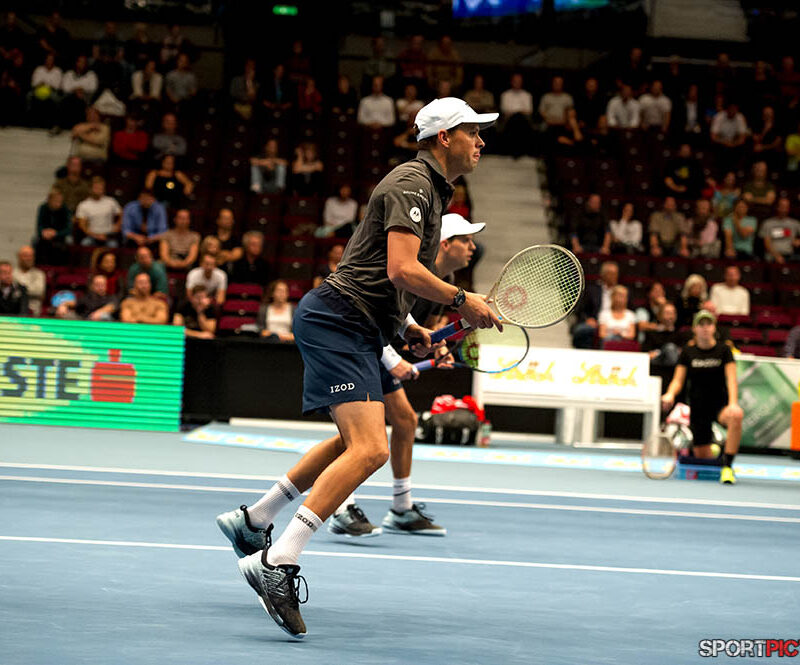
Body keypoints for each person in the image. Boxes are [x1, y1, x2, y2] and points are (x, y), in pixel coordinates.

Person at [215, 97, 499, 638]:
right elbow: (401, 268)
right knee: (370, 448)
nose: (480, 141)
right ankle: (276, 560)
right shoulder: (413, 183)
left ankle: (254, 521)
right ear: (444, 137)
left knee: (355, 442)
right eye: (472, 132)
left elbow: (381, 274)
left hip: (358, 324)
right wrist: (463, 300)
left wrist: (406, 326)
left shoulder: (432, 189)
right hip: (337, 320)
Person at [328, 212, 485, 538]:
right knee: (360, 435)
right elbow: (375, 315)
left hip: (374, 347)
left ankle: (401, 508)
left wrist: (437, 345)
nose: (473, 247)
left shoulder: (444, 281)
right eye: (466, 240)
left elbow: (419, 329)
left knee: (405, 420)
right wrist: (392, 360)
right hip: (350, 340)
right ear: (445, 244)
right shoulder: (414, 272)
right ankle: (341, 507)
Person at [661, 310, 742, 484]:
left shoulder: (724, 350)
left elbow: (731, 380)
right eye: (701, 324)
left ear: (714, 328)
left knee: (736, 415)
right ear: (694, 328)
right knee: (703, 460)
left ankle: (728, 467)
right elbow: (678, 380)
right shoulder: (688, 352)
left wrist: (733, 403)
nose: (705, 328)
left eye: (709, 324)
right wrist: (670, 394)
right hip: (698, 410)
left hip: (720, 407)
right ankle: (714, 449)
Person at [571, 260, 618, 348]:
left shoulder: (621, 291)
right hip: (596, 322)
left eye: (615, 273)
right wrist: (588, 319)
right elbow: (581, 309)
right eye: (610, 273)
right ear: (603, 274)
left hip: (615, 323)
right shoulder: (592, 290)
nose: (613, 276)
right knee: (582, 330)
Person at [75, 176, 121, 247]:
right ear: (90, 189)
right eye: (96, 188)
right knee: (85, 243)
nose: (99, 190)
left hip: (108, 235)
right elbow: (82, 225)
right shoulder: (84, 205)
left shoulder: (111, 201)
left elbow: (122, 214)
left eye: (101, 188)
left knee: (113, 245)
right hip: (92, 236)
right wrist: (96, 236)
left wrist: (118, 225)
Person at [60, 54, 98, 130]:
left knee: (79, 101)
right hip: (70, 96)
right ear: (76, 63)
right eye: (80, 62)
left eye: (84, 62)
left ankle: (78, 127)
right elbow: (65, 87)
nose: (82, 64)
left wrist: (81, 89)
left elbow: (93, 87)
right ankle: (63, 126)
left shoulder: (91, 74)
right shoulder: (69, 74)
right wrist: (76, 90)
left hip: (86, 97)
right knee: (69, 100)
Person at [35, 187, 72, 264]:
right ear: (49, 200)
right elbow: (39, 225)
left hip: (60, 235)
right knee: (34, 241)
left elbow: (68, 229)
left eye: (60, 201)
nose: (58, 204)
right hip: (45, 235)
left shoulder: (65, 209)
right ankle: (39, 264)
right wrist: (43, 232)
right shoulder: (43, 208)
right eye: (56, 201)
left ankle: (64, 266)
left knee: (70, 242)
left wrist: (56, 233)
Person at [760, 197, 800, 263]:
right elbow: (767, 243)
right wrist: (776, 256)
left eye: (786, 207)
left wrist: (798, 241)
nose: (784, 209)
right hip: (772, 257)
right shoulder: (768, 223)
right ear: (777, 207)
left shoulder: (795, 223)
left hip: (789, 256)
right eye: (782, 206)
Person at [12, 246, 45, 316]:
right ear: (19, 257)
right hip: (13, 311)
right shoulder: (12, 273)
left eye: (31, 256)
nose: (29, 258)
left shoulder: (39, 274)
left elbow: (39, 291)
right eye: (25, 256)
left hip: (34, 311)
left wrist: (20, 289)